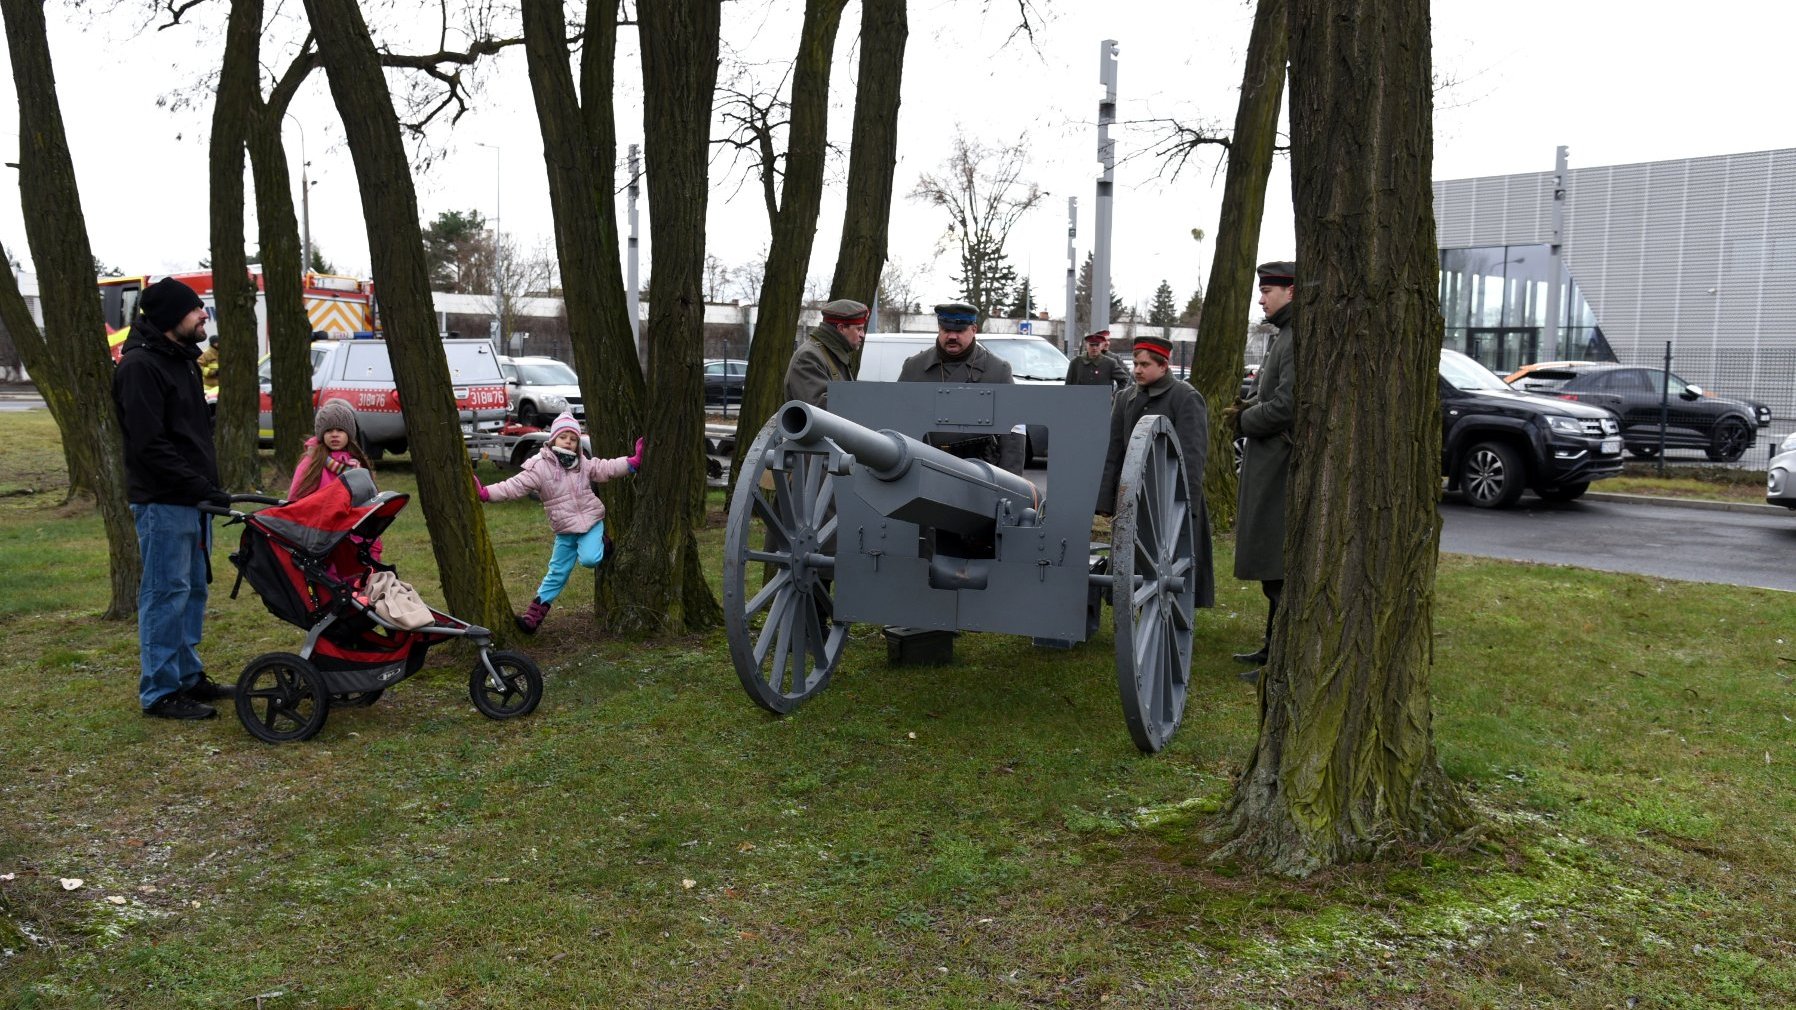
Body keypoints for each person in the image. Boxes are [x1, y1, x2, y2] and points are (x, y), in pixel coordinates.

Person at [112, 277, 233, 720]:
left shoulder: (181, 361)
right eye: (196, 308)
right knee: (166, 592)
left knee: (193, 590)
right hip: (164, 501)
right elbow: (149, 445)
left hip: (193, 502)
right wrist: (199, 487)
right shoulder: (140, 367)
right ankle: (160, 691)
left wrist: (206, 489)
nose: (204, 315)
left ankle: (187, 675)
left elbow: (186, 434)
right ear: (169, 318)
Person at [474, 413, 644, 633]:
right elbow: (513, 486)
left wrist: (632, 463)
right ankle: (532, 619)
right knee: (556, 572)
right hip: (565, 531)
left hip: (591, 523)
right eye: (563, 437)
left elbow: (606, 468)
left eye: (573, 439)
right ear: (553, 439)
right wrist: (487, 493)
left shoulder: (582, 463)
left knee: (590, 559)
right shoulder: (539, 466)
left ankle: (604, 544)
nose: (568, 442)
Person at [1096, 333, 1215, 609]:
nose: (1138, 369)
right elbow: (1114, 451)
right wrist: (1106, 500)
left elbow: (1192, 456)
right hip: (1135, 495)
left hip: (1169, 495)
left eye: (1145, 364)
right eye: (1136, 363)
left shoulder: (1185, 398)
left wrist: (1187, 506)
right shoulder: (1125, 398)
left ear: (1164, 366)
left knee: (1169, 562)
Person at [1222, 260, 1297, 681]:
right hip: (1269, 462)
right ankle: (1273, 648)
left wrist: (1246, 420)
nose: (1262, 297)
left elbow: (1288, 405)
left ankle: (1281, 657)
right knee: (1273, 566)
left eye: (1269, 290)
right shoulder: (1284, 335)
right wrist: (1248, 407)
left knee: (1278, 564)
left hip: (1279, 464)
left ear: (1291, 291)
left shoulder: (1295, 336)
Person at [897, 301, 1024, 473]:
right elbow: (897, 420)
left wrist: (1010, 482)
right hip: (924, 469)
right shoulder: (914, 368)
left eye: (959, 331)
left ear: (974, 330)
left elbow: (1014, 433)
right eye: (946, 330)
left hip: (979, 473)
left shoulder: (998, 371)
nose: (952, 336)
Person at [288, 400, 383, 571]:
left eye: (340, 430)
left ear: (349, 433)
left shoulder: (356, 463)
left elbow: (369, 498)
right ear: (321, 434)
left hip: (351, 530)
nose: (334, 435)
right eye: (329, 430)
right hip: (322, 532)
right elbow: (295, 499)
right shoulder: (311, 462)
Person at [784, 298, 868, 409]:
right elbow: (820, 409)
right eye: (859, 329)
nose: (862, 335)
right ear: (841, 328)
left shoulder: (833, 354)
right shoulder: (808, 357)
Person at [1064, 329, 1128, 390]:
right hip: (1079, 399)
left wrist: (1115, 396)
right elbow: (1067, 386)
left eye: (1097, 345)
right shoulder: (1075, 362)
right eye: (1091, 345)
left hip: (1102, 400)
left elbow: (1125, 380)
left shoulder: (1110, 363)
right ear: (1086, 345)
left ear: (1101, 346)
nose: (1094, 348)